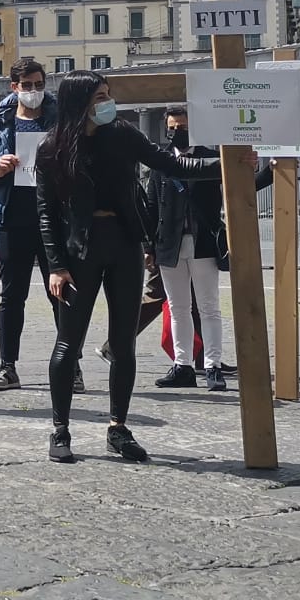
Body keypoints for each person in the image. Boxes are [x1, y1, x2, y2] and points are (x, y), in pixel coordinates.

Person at [37, 73, 216, 464]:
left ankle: (118, 428)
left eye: (108, 95)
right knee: (69, 342)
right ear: (78, 101)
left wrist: (226, 164)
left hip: (124, 243)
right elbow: (46, 213)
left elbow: (172, 164)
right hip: (79, 250)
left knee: (124, 343)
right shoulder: (51, 147)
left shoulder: (123, 134)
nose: (107, 102)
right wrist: (55, 266)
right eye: (99, 97)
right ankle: (60, 428)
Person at [0, 60, 58, 393]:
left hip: (54, 217)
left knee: (63, 294)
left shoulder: (61, 120)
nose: (34, 91)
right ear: (14, 87)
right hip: (12, 217)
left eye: (39, 84)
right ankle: (7, 365)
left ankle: (71, 363)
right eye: (28, 85)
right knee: (11, 296)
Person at [151, 106, 241, 391]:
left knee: (209, 307)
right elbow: (152, 205)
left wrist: (271, 171)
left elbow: (243, 185)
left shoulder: (212, 158)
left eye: (183, 127)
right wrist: (147, 247)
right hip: (169, 244)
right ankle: (183, 365)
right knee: (178, 308)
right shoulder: (161, 161)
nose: (177, 132)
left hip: (203, 242)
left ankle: (212, 365)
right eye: (172, 128)